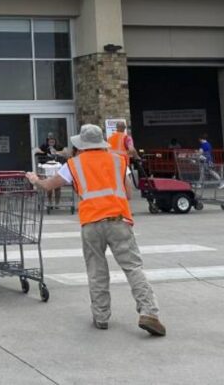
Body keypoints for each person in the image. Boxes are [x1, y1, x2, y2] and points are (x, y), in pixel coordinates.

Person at [26, 124, 166, 337]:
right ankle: (149, 313)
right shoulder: (119, 161)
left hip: (91, 223)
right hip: (119, 221)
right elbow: (128, 193)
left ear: (81, 144)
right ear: (101, 143)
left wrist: (35, 179)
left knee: (97, 271)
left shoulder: (74, 165)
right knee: (133, 268)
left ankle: (101, 317)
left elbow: (48, 186)